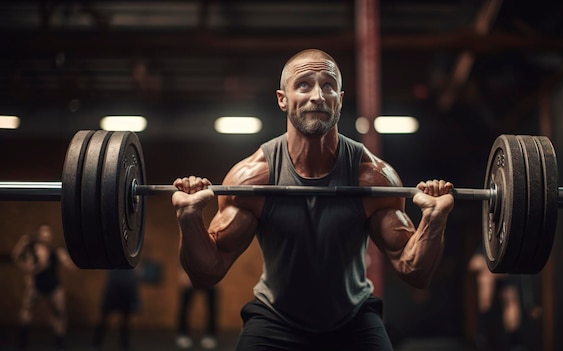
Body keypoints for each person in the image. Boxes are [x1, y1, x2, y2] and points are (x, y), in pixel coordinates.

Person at [171, 48, 455, 350]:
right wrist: (189, 219)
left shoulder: (372, 177)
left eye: (328, 85)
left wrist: (434, 219)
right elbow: (207, 272)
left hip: (353, 320)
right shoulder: (253, 178)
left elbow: (414, 272)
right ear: (283, 98)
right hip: (275, 319)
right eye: (304, 84)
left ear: (340, 100)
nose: (318, 95)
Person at [12, 225, 75, 350]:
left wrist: (68, 261)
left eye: (48, 236)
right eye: (44, 236)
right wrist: (22, 243)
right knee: (26, 310)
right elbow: (17, 257)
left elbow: (68, 263)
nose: (46, 239)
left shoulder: (55, 251)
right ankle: (22, 341)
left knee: (59, 312)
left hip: (53, 285)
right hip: (37, 285)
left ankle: (59, 342)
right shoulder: (33, 250)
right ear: (40, 237)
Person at [468, 247, 524, 351]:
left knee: (511, 301)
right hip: (489, 274)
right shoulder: (486, 247)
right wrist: (487, 269)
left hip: (506, 274)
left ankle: (514, 341)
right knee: (485, 281)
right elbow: (473, 264)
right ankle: (482, 336)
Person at [91, 268, 141, 351]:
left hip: (127, 284)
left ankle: (124, 344)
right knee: (105, 317)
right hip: (114, 283)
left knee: (125, 318)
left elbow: (137, 268)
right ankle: (96, 343)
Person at [175, 266, 219, 350]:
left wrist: (218, 276)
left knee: (212, 295)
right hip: (191, 274)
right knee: (186, 299)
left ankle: (210, 334)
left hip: (209, 276)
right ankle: (182, 333)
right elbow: (182, 254)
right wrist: (183, 273)